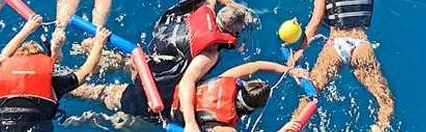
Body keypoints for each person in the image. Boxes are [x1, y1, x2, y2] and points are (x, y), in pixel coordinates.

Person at [69, 0, 254, 125]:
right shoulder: (210, 54)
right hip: (155, 86)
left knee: (133, 64)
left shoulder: (207, 10)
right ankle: (65, 86)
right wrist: (190, 123)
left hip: (150, 59)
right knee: (102, 94)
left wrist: (232, 4)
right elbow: (186, 82)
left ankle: (89, 50)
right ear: (232, 33)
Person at [290, 0, 394, 132]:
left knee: (311, 95)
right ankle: (380, 127)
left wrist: (299, 50)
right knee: (385, 101)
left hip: (335, 47)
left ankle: (292, 128)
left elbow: (312, 27)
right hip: (361, 46)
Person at [68, 59, 307, 132]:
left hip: (166, 84)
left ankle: (95, 54)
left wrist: (287, 70)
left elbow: (254, 65)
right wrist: (288, 128)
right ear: (253, 108)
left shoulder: (228, 80)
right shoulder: (226, 128)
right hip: (159, 107)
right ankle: (63, 87)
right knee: (103, 95)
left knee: (132, 72)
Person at [0, 14, 110, 132]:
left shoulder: (3, 74)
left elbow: (4, 55)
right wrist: (99, 43)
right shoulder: (53, 83)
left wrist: (27, 29)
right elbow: (85, 72)